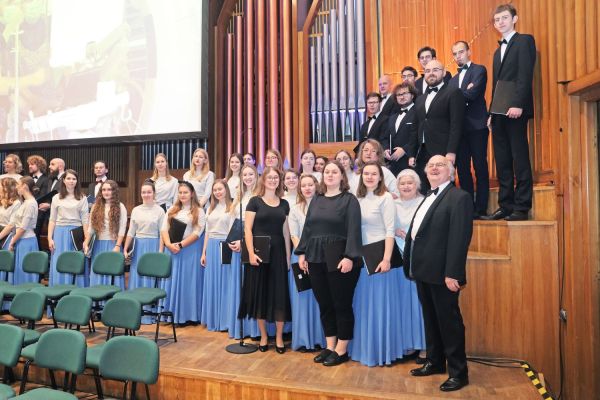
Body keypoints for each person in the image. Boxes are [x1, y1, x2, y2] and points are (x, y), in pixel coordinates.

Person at [404, 155, 472, 392]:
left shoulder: (459, 197)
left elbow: (459, 238)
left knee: (449, 323)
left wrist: (453, 273)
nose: (434, 167)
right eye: (430, 165)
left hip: (444, 273)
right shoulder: (426, 199)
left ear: (451, 172)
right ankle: (434, 361)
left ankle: (458, 373)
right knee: (431, 320)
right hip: (423, 270)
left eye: (440, 164)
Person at [296, 160, 362, 366]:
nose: (330, 175)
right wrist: (302, 253)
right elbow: (308, 228)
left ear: (342, 176)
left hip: (339, 256)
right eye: (327, 172)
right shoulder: (316, 199)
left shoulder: (349, 200)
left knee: (341, 304)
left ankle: (342, 350)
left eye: (335, 172)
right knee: (324, 304)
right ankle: (330, 346)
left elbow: (354, 229)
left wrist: (350, 256)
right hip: (315, 256)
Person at [483, 3, 536, 221]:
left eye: (504, 18)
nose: (500, 22)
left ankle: (522, 206)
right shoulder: (497, 52)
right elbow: (496, 85)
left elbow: (525, 75)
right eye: (497, 20)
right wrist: (490, 112)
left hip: (515, 109)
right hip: (498, 112)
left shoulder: (524, 40)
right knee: (502, 158)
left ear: (515, 19)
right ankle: (506, 205)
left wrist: (518, 103)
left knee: (519, 156)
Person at [350, 162, 403, 366]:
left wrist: (387, 258)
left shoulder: (386, 197)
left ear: (381, 177)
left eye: (374, 174)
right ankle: (363, 349)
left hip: (379, 259)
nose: (370, 177)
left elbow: (390, 230)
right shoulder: (358, 198)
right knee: (362, 306)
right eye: (366, 173)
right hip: (361, 259)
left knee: (379, 308)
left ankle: (381, 351)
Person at [238, 166, 291, 354]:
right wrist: (251, 254)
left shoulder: (284, 204)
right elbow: (247, 230)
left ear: (279, 180)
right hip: (259, 255)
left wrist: (287, 256)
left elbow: (286, 233)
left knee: (279, 296)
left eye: (276, 177)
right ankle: (263, 336)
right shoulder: (254, 202)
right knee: (259, 295)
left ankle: (278, 337)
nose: (273, 180)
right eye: (269, 177)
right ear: (263, 180)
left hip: (277, 255)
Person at [408, 60, 465, 194]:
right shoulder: (420, 98)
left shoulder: (453, 92)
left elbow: (456, 124)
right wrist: (411, 153)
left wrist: (451, 151)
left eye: (435, 70)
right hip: (422, 151)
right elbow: (415, 127)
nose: (431, 73)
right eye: (427, 71)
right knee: (425, 188)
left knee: (444, 187)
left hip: (443, 149)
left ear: (444, 73)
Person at [449, 41, 490, 219]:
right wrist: (463, 92)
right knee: (462, 169)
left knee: (480, 166)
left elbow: (474, 94)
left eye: (461, 52)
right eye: (455, 53)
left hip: (477, 125)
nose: (458, 56)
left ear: (469, 52)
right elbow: (451, 101)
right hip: (458, 129)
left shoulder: (479, 70)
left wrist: (457, 94)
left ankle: (481, 208)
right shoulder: (451, 80)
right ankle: (468, 207)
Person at [288, 174, 325, 352]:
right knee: (302, 299)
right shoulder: (295, 209)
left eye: (311, 184)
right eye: (304, 185)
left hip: (320, 257)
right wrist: (303, 252)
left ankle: (321, 339)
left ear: (316, 186)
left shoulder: (324, 206)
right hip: (300, 256)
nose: (308, 188)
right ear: (300, 189)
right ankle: (304, 339)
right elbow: (294, 235)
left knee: (321, 299)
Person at [161, 181, 206, 325]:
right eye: (180, 192)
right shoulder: (172, 209)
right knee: (172, 282)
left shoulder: (199, 211)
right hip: (172, 250)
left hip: (189, 250)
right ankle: (171, 314)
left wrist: (180, 245)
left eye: (185, 192)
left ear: (192, 193)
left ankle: (188, 315)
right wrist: (168, 244)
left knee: (188, 282)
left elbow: (198, 232)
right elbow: (163, 229)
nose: (182, 195)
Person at [394, 169, 426, 363]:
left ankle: (424, 345)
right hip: (398, 259)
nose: (406, 186)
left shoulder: (424, 202)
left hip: (417, 257)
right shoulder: (393, 203)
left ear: (417, 185)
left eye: (410, 183)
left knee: (419, 304)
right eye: (402, 183)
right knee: (403, 304)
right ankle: (408, 343)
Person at [227, 164, 260, 339]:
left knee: (250, 286)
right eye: (244, 175)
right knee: (238, 286)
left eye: (250, 174)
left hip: (249, 244)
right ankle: (239, 326)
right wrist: (233, 240)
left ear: (256, 176)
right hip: (236, 246)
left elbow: (256, 225)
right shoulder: (239, 197)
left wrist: (243, 242)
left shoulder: (258, 196)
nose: (247, 177)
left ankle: (252, 329)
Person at [123, 181, 165, 306]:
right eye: (143, 192)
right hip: (139, 246)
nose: (146, 194)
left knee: (151, 275)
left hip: (153, 244)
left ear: (154, 193)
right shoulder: (136, 210)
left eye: (149, 192)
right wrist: (125, 249)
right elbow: (131, 231)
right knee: (137, 274)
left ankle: (150, 309)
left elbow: (163, 233)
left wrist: (160, 251)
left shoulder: (160, 211)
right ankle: (135, 307)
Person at [201, 179, 235, 332]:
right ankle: (213, 319)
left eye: (220, 189)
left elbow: (233, 230)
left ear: (226, 190)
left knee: (225, 282)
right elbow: (207, 232)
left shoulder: (232, 207)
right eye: (215, 190)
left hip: (225, 245)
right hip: (212, 246)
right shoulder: (210, 208)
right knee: (213, 282)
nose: (217, 192)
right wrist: (204, 252)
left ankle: (225, 320)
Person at [47, 170, 90, 287]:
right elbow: (52, 219)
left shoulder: (82, 198)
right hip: (59, 233)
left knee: (75, 262)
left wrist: (87, 239)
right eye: (69, 178)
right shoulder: (56, 197)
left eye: (74, 179)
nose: (71, 181)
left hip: (76, 233)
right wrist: (50, 238)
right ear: (64, 180)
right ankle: (58, 291)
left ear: (77, 181)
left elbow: (85, 220)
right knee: (58, 260)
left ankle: (78, 291)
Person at [84, 180, 127, 289]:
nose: (106, 192)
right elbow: (91, 228)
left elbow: (122, 229)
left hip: (113, 245)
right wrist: (86, 242)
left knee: (113, 274)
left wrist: (117, 246)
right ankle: (97, 302)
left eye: (109, 189)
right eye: (103, 190)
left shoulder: (120, 206)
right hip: (98, 245)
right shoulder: (95, 206)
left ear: (114, 191)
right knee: (98, 273)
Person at [6, 177, 38, 284]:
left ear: (24, 186)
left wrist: (12, 241)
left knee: (24, 272)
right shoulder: (25, 202)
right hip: (21, 240)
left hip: (26, 241)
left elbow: (23, 228)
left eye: (18, 184)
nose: (16, 187)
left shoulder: (30, 203)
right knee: (18, 270)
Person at [381, 82, 418, 175]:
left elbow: (418, 135)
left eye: (405, 93)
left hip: (412, 160)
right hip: (394, 163)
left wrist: (405, 150)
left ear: (412, 95)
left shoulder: (418, 112)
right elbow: (385, 137)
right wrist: (385, 149)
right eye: (399, 95)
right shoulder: (392, 117)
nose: (401, 97)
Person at [0, 178, 21, 250]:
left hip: (7, 236)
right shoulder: (1, 200)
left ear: (6, 189)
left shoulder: (17, 203)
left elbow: (11, 225)